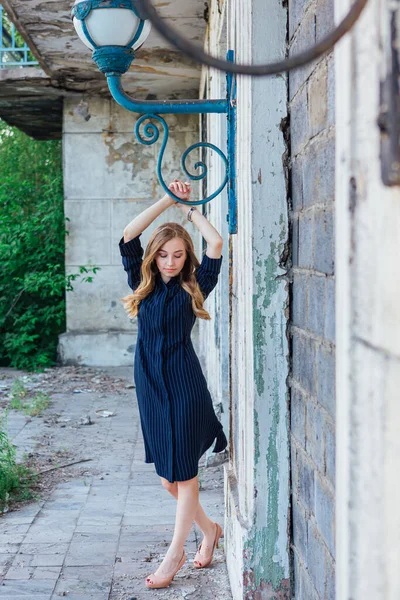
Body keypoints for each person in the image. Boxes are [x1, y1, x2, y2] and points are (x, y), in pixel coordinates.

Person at [119, 179, 228, 589]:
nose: (169, 261)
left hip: (183, 385)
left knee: (185, 473)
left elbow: (215, 244)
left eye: (178, 255)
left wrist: (189, 211)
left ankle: (175, 553)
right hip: (149, 384)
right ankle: (210, 530)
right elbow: (129, 236)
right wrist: (167, 199)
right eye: (163, 254)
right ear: (154, 256)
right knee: (169, 478)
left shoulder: (193, 287)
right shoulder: (141, 286)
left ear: (186, 259)